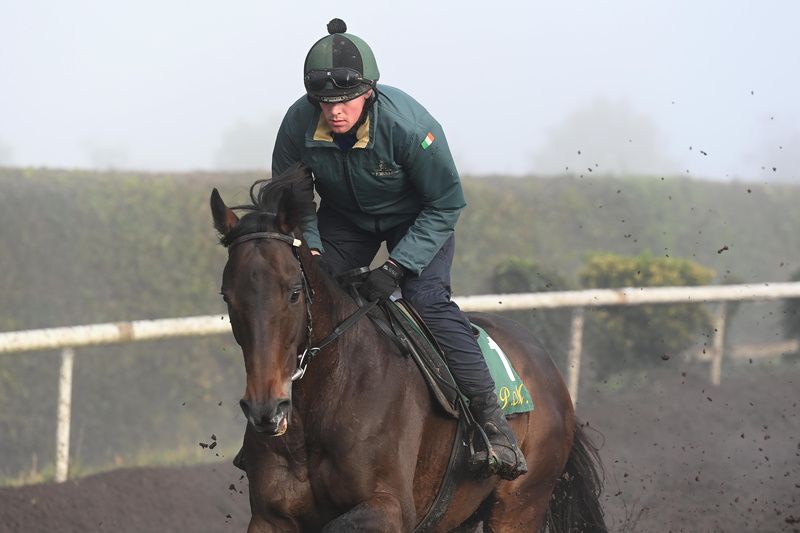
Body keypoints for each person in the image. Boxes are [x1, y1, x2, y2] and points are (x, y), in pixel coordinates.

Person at [271, 18, 527, 481]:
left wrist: (399, 265)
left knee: (424, 300)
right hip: (346, 219)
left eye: (345, 100)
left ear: (369, 92)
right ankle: (278, 421)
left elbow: (447, 202)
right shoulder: (296, 124)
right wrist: (309, 252)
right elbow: (295, 201)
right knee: (304, 295)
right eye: (324, 103)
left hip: (418, 217)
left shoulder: (410, 128)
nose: (334, 112)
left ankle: (492, 423)